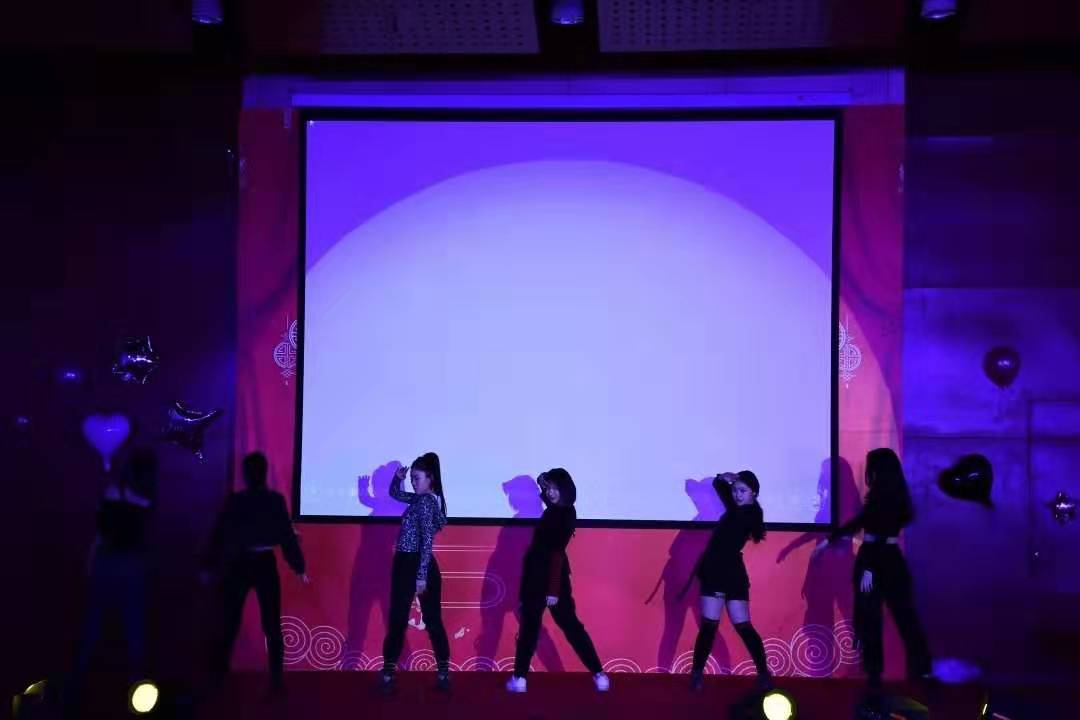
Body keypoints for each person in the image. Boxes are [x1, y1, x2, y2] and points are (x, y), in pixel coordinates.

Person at [828, 448, 932, 695]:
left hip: (874, 560)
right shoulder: (894, 497)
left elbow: (878, 535)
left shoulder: (881, 499)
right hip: (891, 560)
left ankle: (876, 676)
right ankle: (920, 672)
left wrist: (869, 568)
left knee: (872, 621)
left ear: (878, 471)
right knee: (903, 618)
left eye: (871, 467)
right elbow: (863, 524)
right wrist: (832, 538)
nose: (868, 472)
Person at [204, 451, 308, 692]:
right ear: (265, 473)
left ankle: (219, 675)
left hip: (240, 562)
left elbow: (219, 534)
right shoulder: (274, 500)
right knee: (270, 624)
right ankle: (275, 680)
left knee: (231, 620)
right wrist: (298, 566)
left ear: (245, 474)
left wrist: (208, 564)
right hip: (261, 563)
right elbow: (286, 536)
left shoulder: (237, 501)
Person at [505, 469, 610, 694]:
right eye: (548, 488)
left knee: (558, 628)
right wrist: (543, 482)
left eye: (555, 488)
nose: (550, 492)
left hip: (549, 580)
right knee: (544, 629)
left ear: (565, 489)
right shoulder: (559, 511)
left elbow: (556, 553)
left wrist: (552, 590)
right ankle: (598, 675)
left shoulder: (560, 514)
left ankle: (520, 678)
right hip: (542, 579)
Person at [68, 448, 158, 707]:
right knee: (134, 625)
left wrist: (90, 563)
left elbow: (99, 535)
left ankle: (77, 683)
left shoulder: (110, 493)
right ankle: (137, 685)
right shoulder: (147, 501)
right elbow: (143, 538)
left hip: (106, 562)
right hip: (132, 565)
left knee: (93, 623)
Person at [685, 471, 771, 691]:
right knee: (709, 626)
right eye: (736, 491)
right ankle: (697, 674)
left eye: (743, 491)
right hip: (714, 570)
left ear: (754, 493)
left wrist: (731, 481)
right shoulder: (736, 508)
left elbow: (720, 489)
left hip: (731, 572)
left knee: (743, 625)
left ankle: (763, 673)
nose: (737, 495)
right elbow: (718, 484)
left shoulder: (751, 514)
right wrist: (728, 478)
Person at [378, 452, 451, 693]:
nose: (413, 482)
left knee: (422, 620)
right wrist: (398, 478)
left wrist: (421, 575)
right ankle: (391, 673)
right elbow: (395, 494)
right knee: (405, 620)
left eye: (416, 478)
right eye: (412, 478)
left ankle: (392, 674)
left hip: (416, 563)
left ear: (431, 479)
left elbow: (427, 541)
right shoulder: (420, 499)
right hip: (406, 562)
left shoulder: (427, 502)